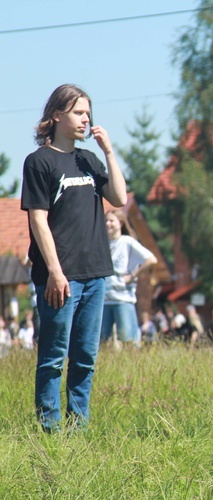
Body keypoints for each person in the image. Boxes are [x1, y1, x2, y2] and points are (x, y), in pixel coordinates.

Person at [20, 84, 127, 432]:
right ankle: (49, 430)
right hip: (60, 276)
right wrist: (54, 271)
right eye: (79, 112)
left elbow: (120, 198)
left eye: (88, 113)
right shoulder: (39, 162)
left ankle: (77, 428)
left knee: (85, 358)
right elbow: (37, 219)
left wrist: (108, 151)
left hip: (96, 273)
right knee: (53, 357)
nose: (87, 119)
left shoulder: (89, 159)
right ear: (57, 115)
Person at [100, 209, 157, 347]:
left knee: (128, 340)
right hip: (104, 299)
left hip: (123, 298)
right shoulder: (102, 243)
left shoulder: (127, 242)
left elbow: (151, 259)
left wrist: (132, 276)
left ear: (120, 223)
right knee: (101, 341)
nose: (108, 224)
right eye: (106, 221)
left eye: (111, 221)